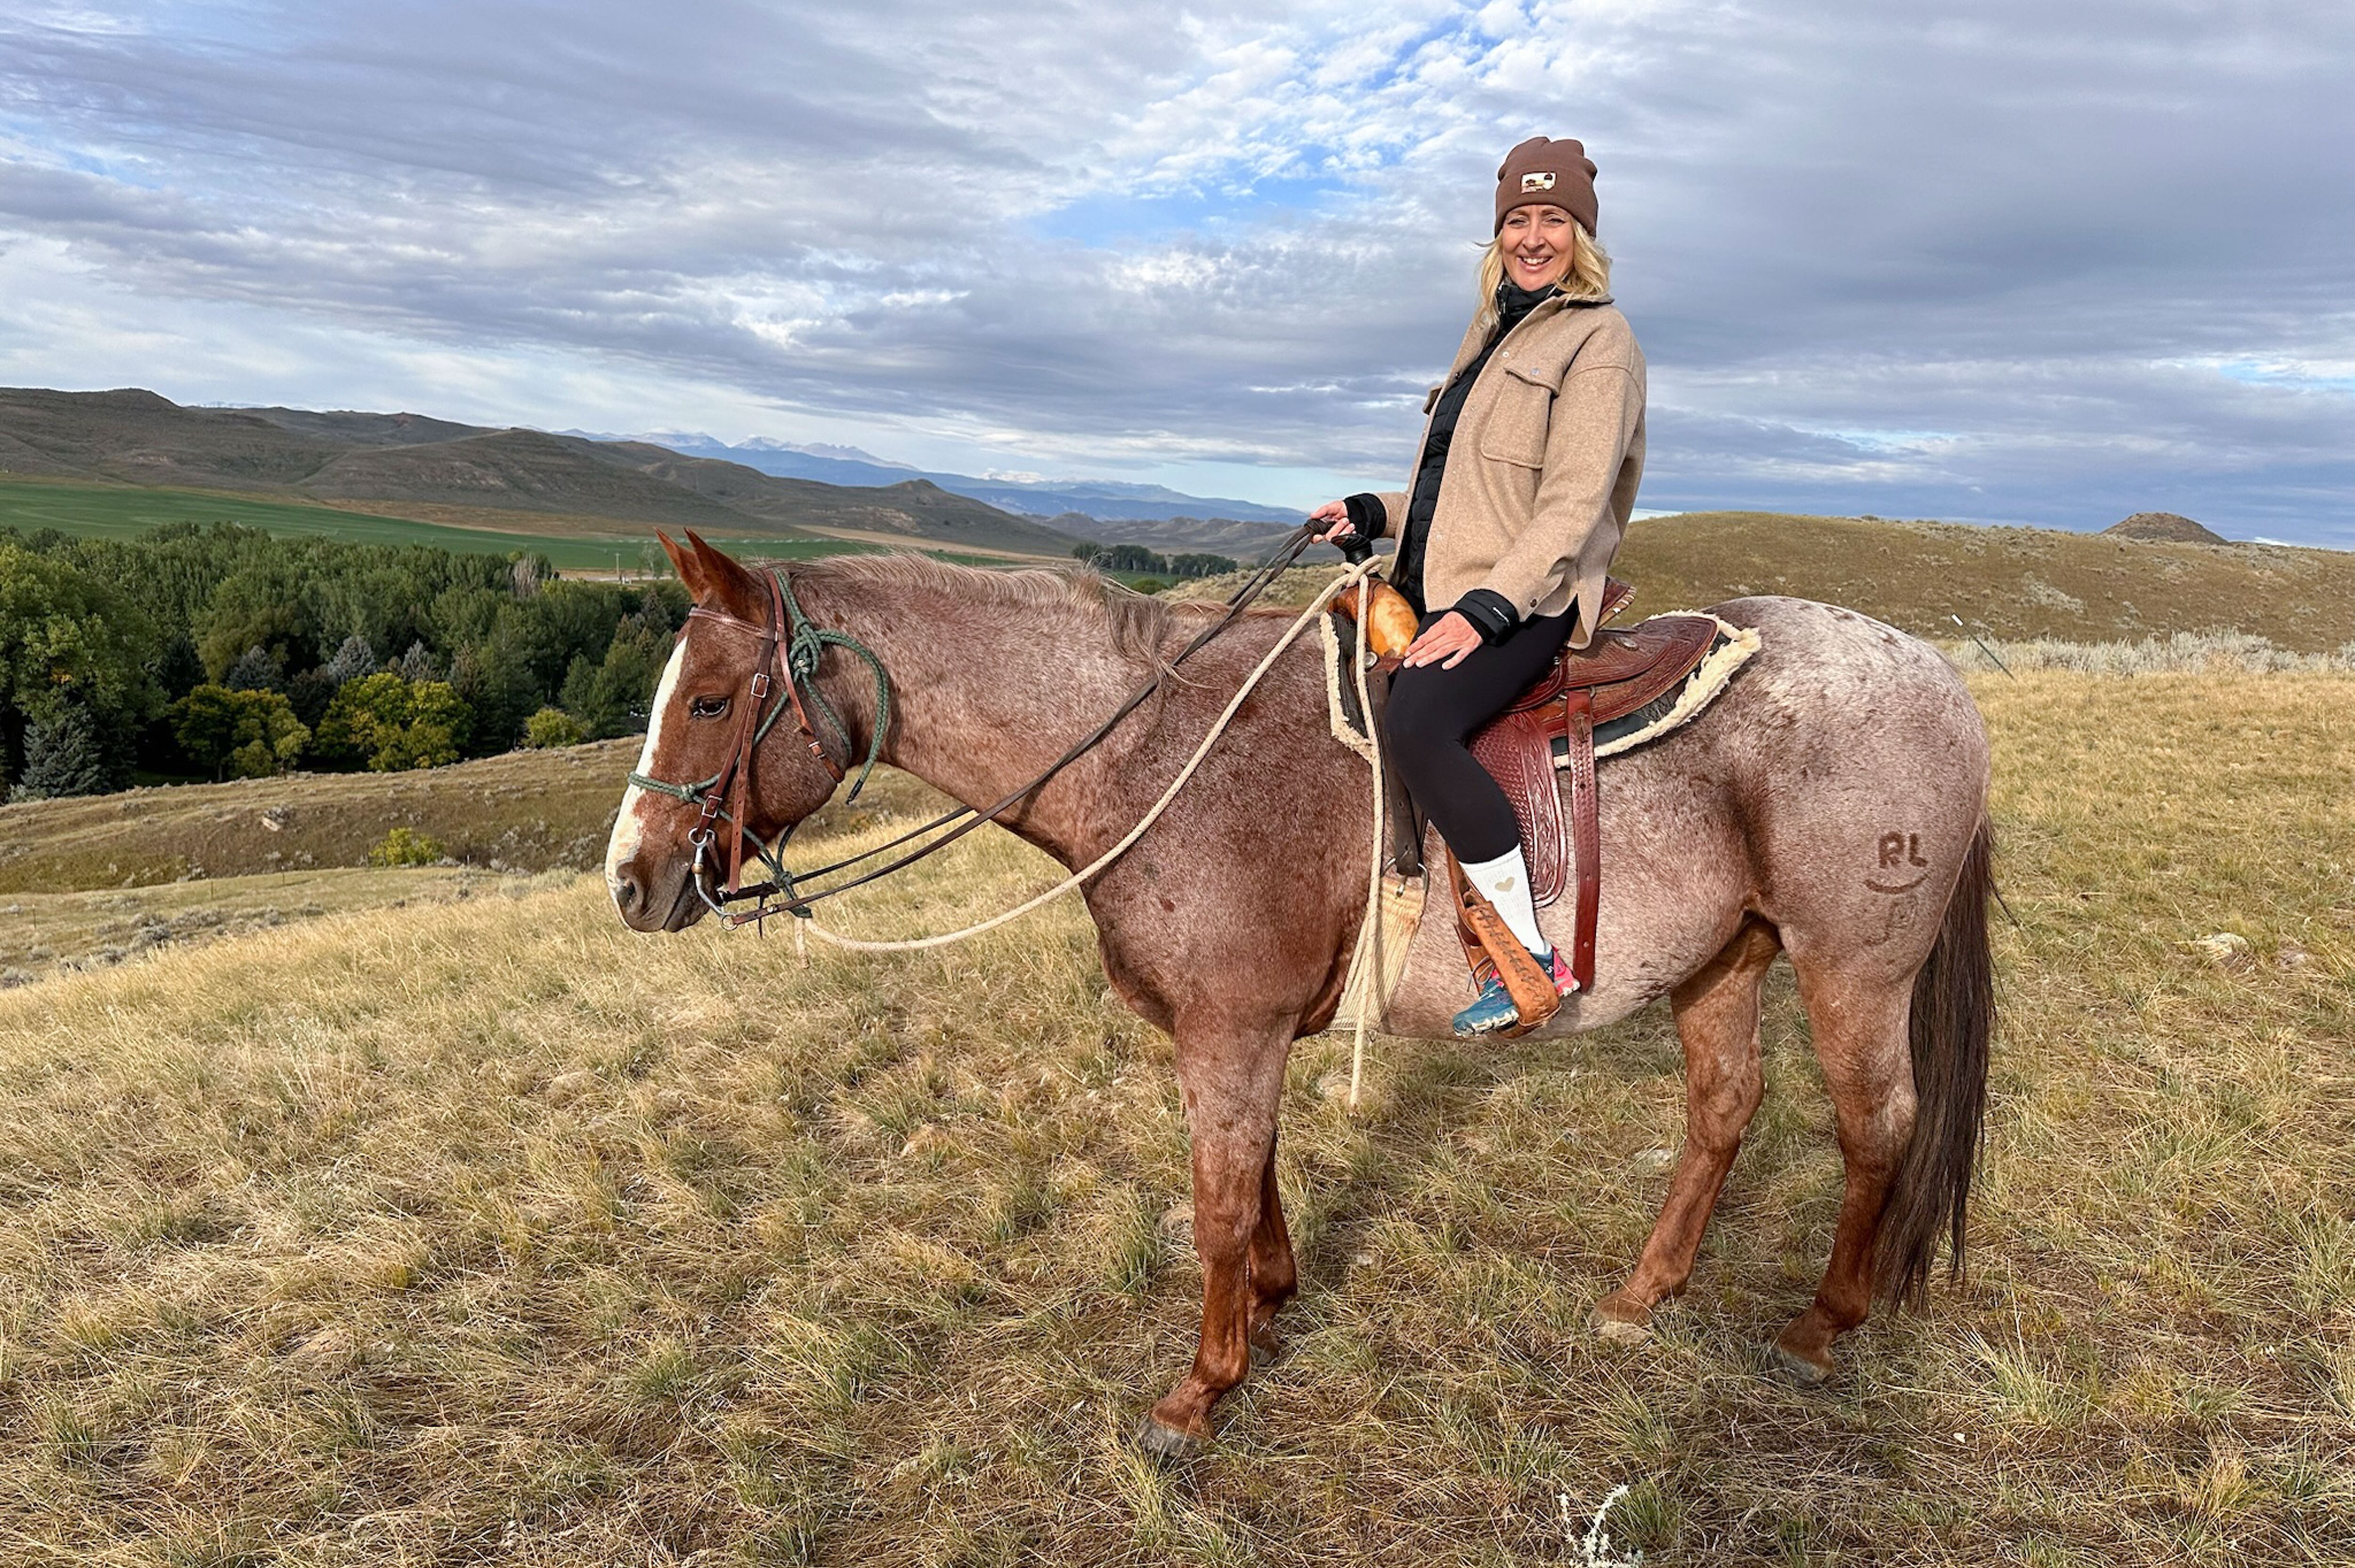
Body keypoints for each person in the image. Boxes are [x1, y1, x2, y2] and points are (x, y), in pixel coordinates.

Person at [1310, 135, 1647, 1037]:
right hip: (1445, 582)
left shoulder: (1599, 339)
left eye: (1555, 220)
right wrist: (1370, 511)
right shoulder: (1490, 335)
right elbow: (1455, 491)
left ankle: (1530, 959)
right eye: (1517, 221)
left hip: (1530, 598)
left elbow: (1570, 502)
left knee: (1419, 716)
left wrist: (1485, 611)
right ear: (1497, 235)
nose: (1534, 237)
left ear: (1583, 235)